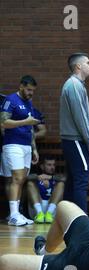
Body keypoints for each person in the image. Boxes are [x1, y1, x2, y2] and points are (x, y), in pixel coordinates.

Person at [59, 52, 89, 214]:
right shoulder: (74, 85)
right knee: (81, 181)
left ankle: (67, 220)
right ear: (78, 66)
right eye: (88, 63)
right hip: (76, 140)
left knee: (72, 182)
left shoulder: (75, 85)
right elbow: (79, 116)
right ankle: (81, 225)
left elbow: (80, 114)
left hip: (72, 140)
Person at [0, 75, 41, 226]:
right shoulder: (10, 100)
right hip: (13, 144)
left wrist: (34, 148)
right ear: (21, 86)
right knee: (16, 178)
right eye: (29, 89)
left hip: (26, 145)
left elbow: (30, 128)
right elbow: (3, 122)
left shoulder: (29, 102)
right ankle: (13, 215)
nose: (31, 93)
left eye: (33, 91)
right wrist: (25, 121)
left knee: (22, 179)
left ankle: (17, 213)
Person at [27, 155, 66, 224]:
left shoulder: (57, 177)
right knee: (30, 183)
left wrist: (50, 177)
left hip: (52, 210)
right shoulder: (37, 177)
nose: (52, 167)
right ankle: (39, 213)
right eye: (49, 165)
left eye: (54, 165)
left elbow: (65, 178)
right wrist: (37, 177)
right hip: (36, 210)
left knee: (61, 184)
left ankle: (49, 213)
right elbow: (24, 177)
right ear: (42, 166)